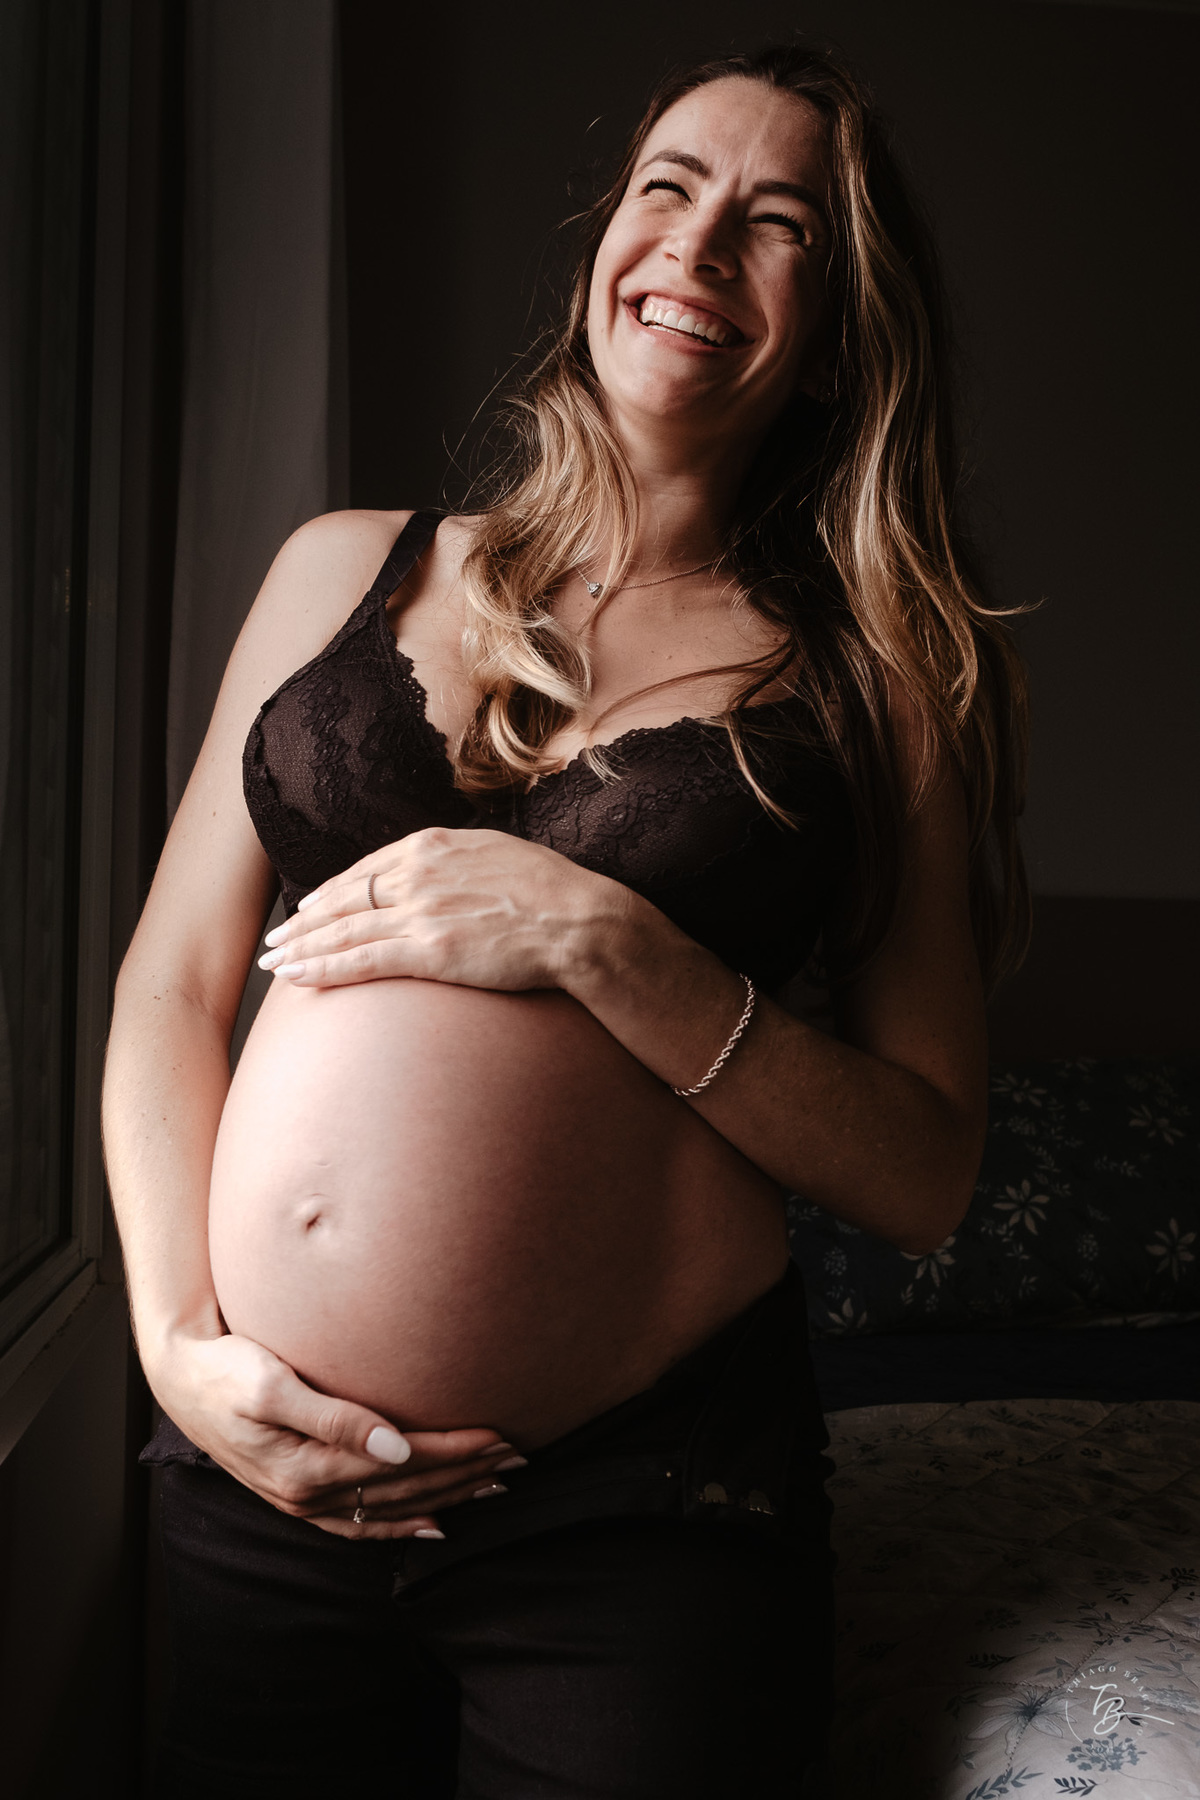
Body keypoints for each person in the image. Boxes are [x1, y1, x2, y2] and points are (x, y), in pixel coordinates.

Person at [102, 42, 1028, 1800]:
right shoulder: (341, 565)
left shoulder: (880, 687)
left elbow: (924, 1171)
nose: (698, 245)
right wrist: (177, 1353)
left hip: (640, 1515)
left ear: (835, 330)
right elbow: (170, 986)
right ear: (606, 238)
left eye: (780, 227)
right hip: (267, 1480)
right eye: (667, 189)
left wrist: (613, 945)